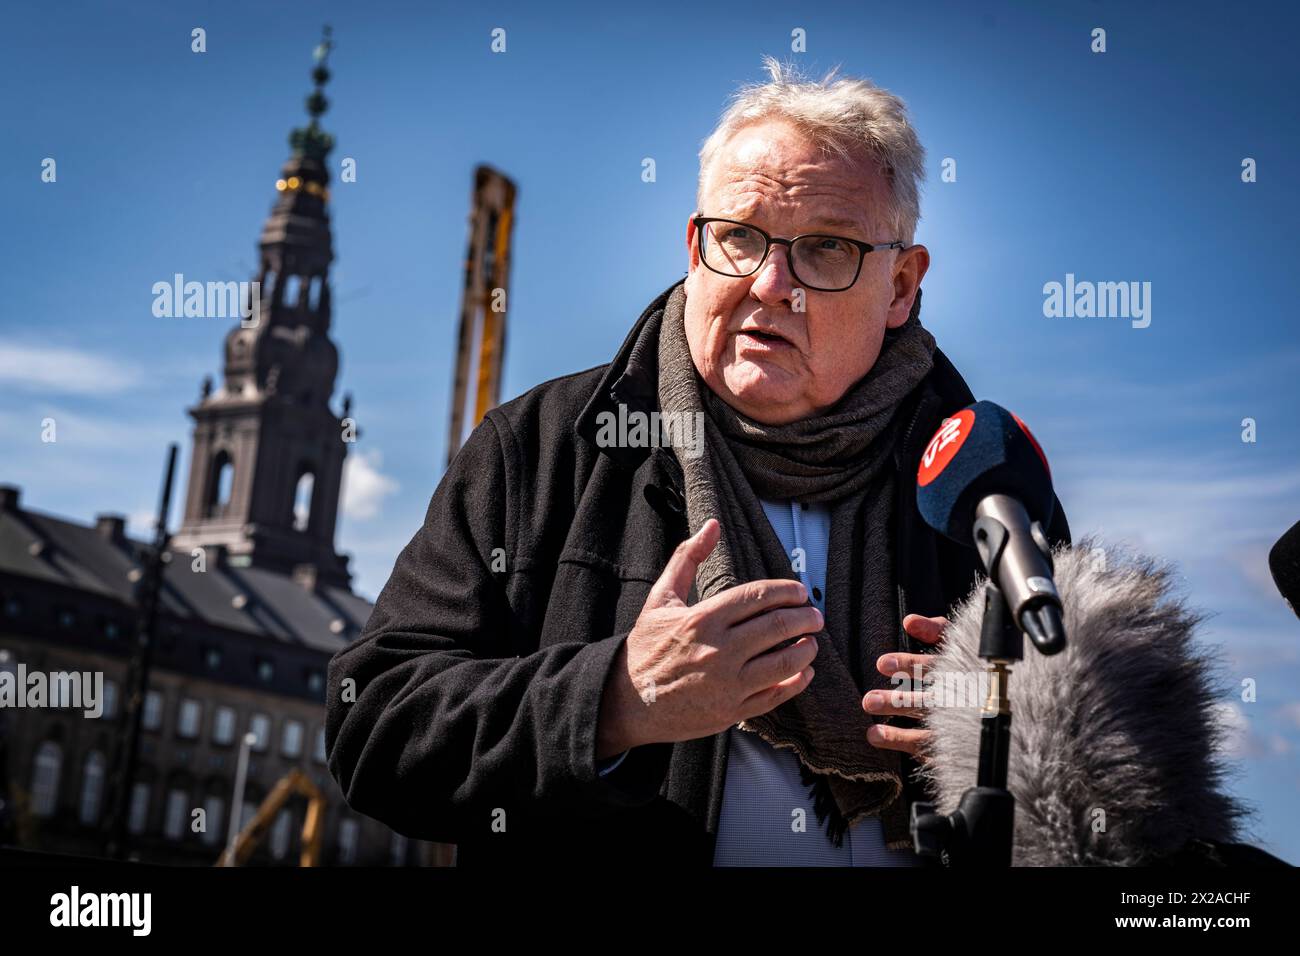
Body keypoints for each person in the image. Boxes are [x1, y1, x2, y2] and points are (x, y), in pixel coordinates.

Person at [325, 56, 1071, 867]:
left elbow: (1108, 769)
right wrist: (616, 699)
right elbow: (376, 730)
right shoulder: (541, 446)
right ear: (694, 247)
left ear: (901, 283)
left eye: (825, 250)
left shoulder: (984, 482)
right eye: (740, 238)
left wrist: (991, 731)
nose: (769, 282)